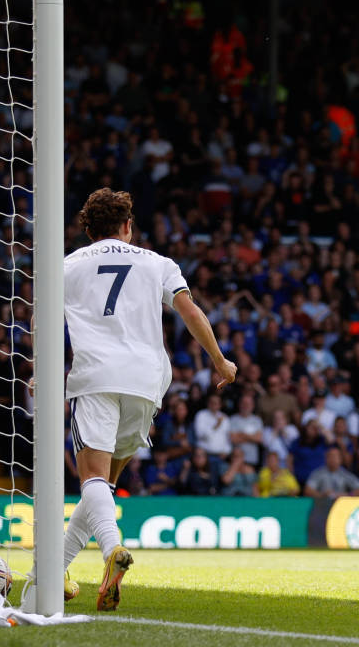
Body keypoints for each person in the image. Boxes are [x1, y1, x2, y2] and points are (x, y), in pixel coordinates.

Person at [55, 188, 237, 611]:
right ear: (127, 227)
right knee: (105, 485)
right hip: (147, 380)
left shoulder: (66, 265)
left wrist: (39, 371)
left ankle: (110, 551)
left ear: (87, 230)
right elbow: (189, 311)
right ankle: (50, 571)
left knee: (92, 479)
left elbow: (41, 319)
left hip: (96, 375)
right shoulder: (158, 263)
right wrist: (220, 359)